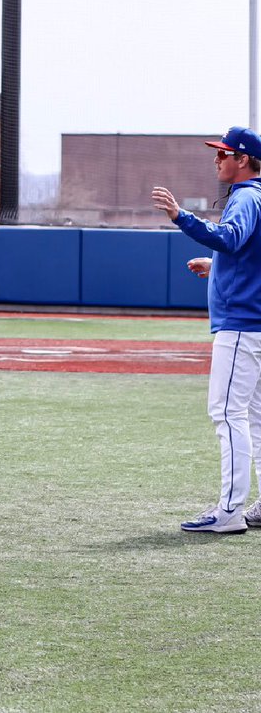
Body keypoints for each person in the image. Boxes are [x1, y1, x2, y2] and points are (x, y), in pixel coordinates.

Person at [152, 126, 261, 534]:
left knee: (227, 413)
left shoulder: (247, 197)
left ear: (243, 159)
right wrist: (217, 268)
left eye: (224, 154)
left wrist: (180, 216)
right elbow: (248, 256)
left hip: (242, 326)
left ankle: (230, 512)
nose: (217, 159)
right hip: (255, 323)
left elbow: (230, 239)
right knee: (255, 416)